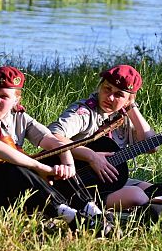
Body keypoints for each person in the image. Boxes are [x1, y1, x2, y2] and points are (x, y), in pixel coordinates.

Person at [0, 66, 109, 233]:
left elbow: (53, 141)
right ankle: (69, 215)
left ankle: (94, 212)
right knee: (11, 168)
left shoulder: (19, 117)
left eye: (3, 96)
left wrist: (68, 166)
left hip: (10, 192)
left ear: (16, 100)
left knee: (56, 160)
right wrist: (39, 167)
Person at [48, 64, 154, 210]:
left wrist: (131, 108)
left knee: (152, 189)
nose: (110, 97)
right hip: (75, 183)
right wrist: (91, 156)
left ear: (129, 100)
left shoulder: (124, 116)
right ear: (100, 87)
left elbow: (152, 146)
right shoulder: (84, 112)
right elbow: (53, 135)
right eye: (107, 89)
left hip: (106, 181)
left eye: (119, 95)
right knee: (137, 195)